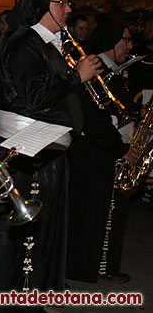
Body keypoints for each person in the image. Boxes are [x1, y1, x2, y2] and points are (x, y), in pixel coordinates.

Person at [0, 0, 102, 298]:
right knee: (18, 236)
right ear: (43, 7)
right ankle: (5, 296)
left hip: (47, 150)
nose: (69, 10)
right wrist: (75, 78)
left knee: (42, 233)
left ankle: (30, 295)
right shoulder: (24, 43)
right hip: (27, 151)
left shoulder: (50, 43)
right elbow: (32, 97)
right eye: (62, 3)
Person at [67, 25, 138, 284]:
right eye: (126, 40)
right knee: (93, 212)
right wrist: (122, 149)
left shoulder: (112, 70)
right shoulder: (97, 69)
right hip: (95, 151)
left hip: (105, 148)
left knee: (108, 210)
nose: (130, 47)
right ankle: (89, 265)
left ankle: (103, 263)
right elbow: (93, 117)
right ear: (112, 40)